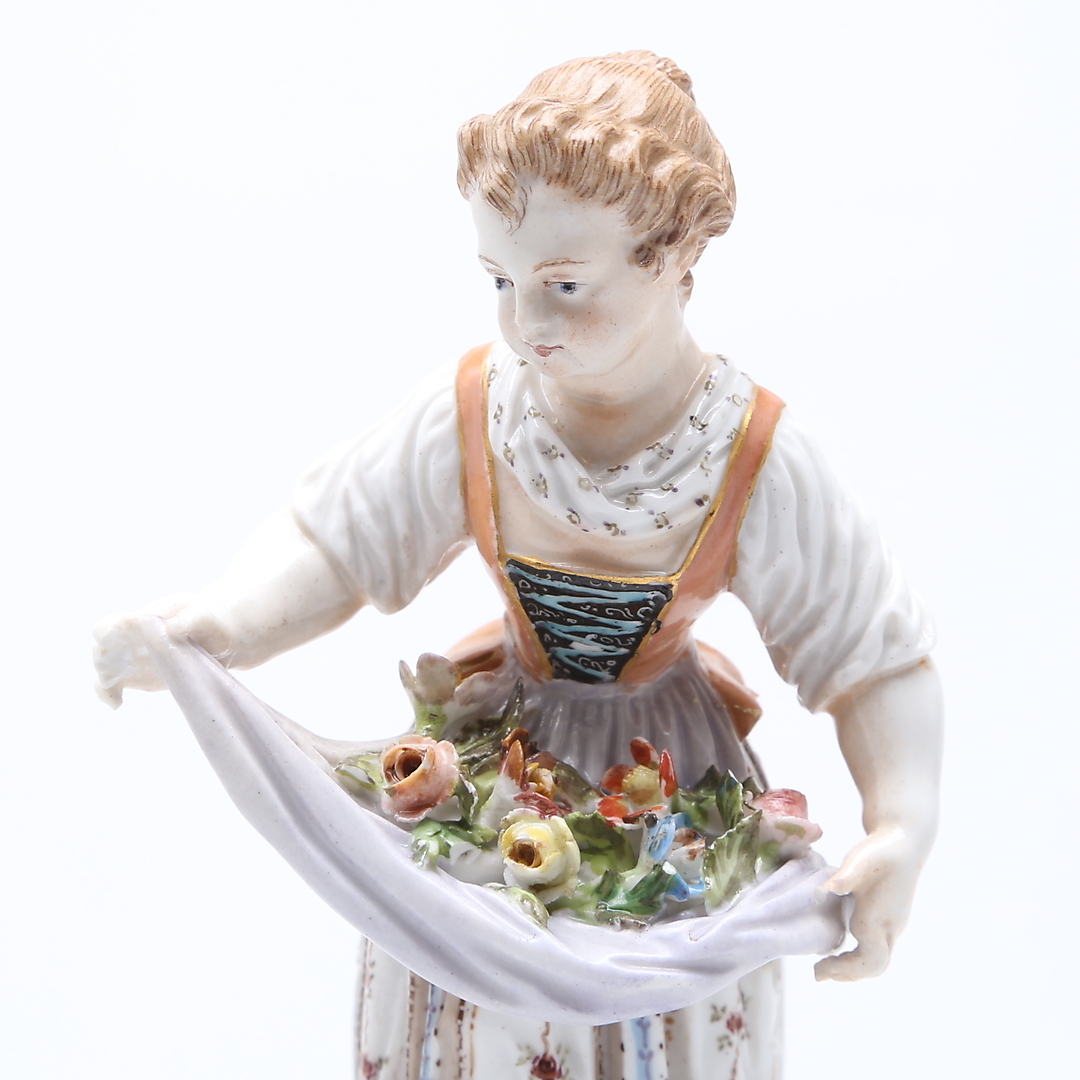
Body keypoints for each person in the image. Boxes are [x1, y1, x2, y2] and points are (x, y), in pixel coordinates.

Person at [94, 51, 942, 1080]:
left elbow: (869, 654)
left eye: (565, 286)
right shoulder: (478, 409)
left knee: (658, 995)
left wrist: (901, 822)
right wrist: (219, 625)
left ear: (671, 256)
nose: (527, 323)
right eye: (501, 281)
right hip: (501, 769)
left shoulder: (751, 452)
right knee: (472, 988)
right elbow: (337, 539)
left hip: (666, 784)